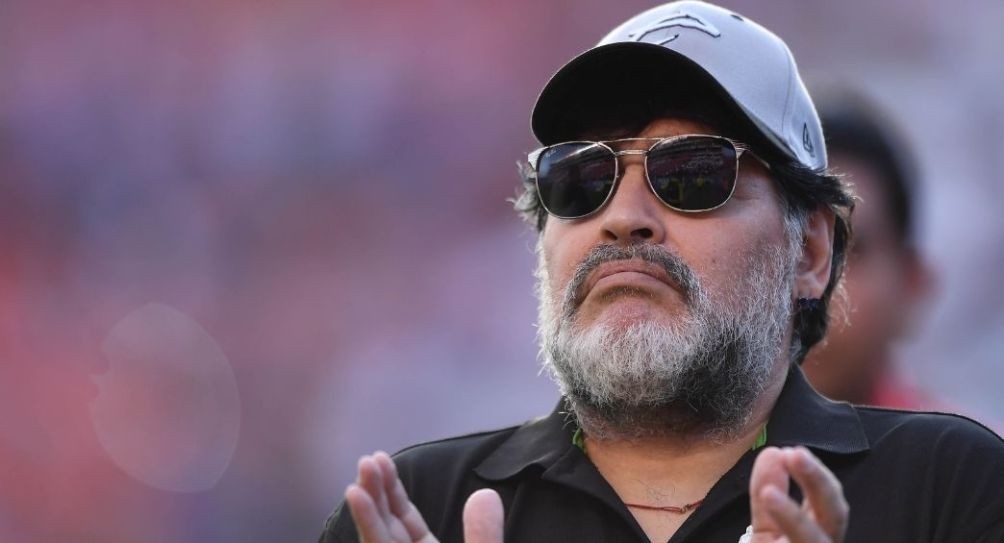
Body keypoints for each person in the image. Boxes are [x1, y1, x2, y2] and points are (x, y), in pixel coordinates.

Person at [319, 2, 1004, 542]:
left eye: (692, 173)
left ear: (811, 253)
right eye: (582, 179)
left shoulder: (949, 488)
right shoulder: (414, 507)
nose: (623, 217)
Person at [801, 94, 934, 408]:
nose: (811, 287)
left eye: (850, 250)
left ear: (911, 285)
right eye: (792, 247)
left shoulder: (969, 442)